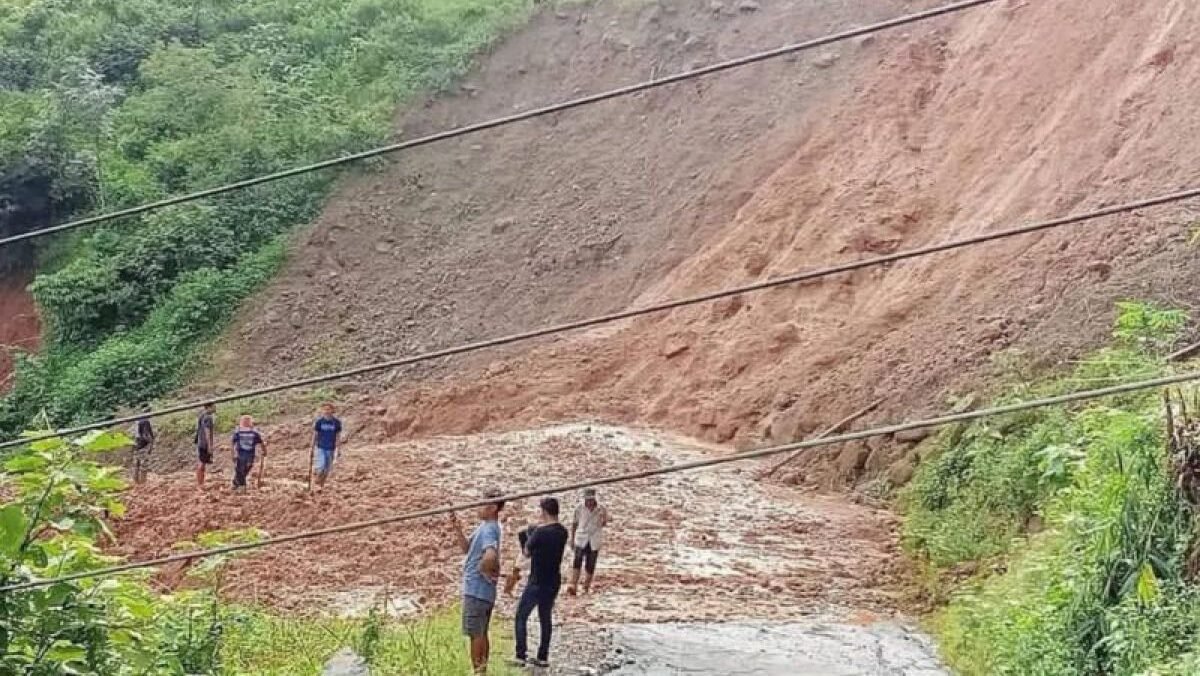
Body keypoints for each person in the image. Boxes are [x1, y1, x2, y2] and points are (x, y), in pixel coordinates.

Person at [450, 488, 505, 675]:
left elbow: (491, 554)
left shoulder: (489, 528)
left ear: (493, 507)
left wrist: (483, 568)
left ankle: (478, 672)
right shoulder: (486, 527)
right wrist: (457, 528)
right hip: (483, 591)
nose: (478, 506)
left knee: (476, 635)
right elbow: (467, 548)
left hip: (476, 589)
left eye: (482, 503)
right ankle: (482, 671)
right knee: (481, 633)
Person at [512, 497, 568, 668]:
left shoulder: (540, 533)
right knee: (545, 618)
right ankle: (543, 656)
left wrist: (526, 537)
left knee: (521, 616)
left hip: (537, 581)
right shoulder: (563, 532)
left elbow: (527, 552)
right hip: (553, 581)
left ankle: (521, 655)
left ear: (544, 511)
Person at [568, 488, 609, 596]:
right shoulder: (579, 508)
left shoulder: (601, 509)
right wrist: (572, 539)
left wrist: (602, 520)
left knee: (591, 563)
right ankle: (573, 584)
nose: (589, 502)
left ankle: (586, 586)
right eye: (587, 500)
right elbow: (574, 524)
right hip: (581, 538)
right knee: (577, 561)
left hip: (594, 539)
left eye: (591, 500)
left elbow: (604, 522)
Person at [309, 402, 343, 490]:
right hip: (321, 447)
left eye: (328, 409)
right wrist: (312, 447)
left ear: (332, 410)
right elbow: (315, 435)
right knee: (321, 465)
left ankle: (321, 485)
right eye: (325, 409)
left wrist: (338, 449)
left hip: (331, 448)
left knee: (327, 469)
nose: (327, 411)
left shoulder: (336, 423)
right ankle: (316, 482)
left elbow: (338, 437)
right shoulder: (319, 422)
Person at [230, 415, 266, 493]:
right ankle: (242, 486)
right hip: (241, 453)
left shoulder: (254, 432)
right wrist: (233, 454)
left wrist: (264, 450)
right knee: (240, 469)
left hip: (250, 453)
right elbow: (233, 443)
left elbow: (261, 442)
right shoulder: (238, 431)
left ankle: (236, 481)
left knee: (246, 468)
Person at [194, 403, 216, 489]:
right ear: (209, 407)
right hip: (204, 443)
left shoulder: (202, 416)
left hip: (200, 442)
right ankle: (200, 484)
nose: (215, 408)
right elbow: (207, 431)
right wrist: (209, 446)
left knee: (201, 463)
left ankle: (200, 482)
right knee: (202, 464)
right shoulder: (208, 417)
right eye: (214, 406)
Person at [131, 411, 155, 485]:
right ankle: (143, 482)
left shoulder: (137, 421)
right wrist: (151, 442)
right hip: (144, 445)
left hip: (136, 445)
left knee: (136, 464)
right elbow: (145, 434)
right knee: (144, 464)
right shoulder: (145, 422)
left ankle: (135, 482)